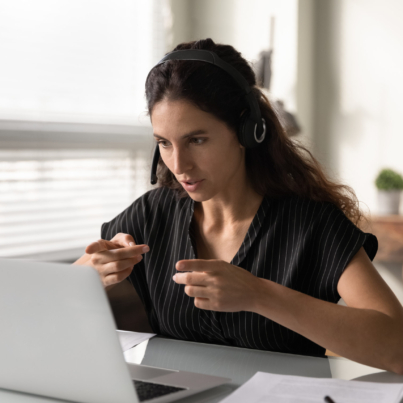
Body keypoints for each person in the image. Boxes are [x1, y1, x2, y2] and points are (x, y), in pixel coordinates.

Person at [73, 38, 403, 374]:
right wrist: (87, 279)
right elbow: (55, 309)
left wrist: (259, 294)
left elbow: (398, 349)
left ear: (248, 130)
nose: (179, 164)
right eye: (164, 143)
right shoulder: (150, 215)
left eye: (196, 140)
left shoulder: (311, 224)